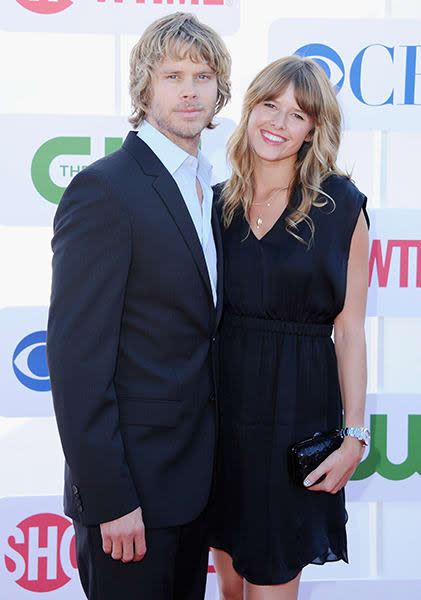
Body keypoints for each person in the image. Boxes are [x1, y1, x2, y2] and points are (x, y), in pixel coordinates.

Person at [47, 12, 231, 600]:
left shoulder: (210, 188)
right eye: (173, 74)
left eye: (203, 75)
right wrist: (110, 500)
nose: (189, 90)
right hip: (130, 501)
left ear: (220, 90)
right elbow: (77, 362)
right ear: (144, 86)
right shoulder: (105, 189)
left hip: (195, 488)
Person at [210, 56, 370, 600]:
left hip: (294, 421)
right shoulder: (217, 205)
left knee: (272, 586)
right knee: (231, 588)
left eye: (297, 115)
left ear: (314, 129)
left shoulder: (341, 206)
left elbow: (349, 330)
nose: (278, 122)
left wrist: (355, 435)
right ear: (250, 108)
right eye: (269, 105)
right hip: (220, 421)